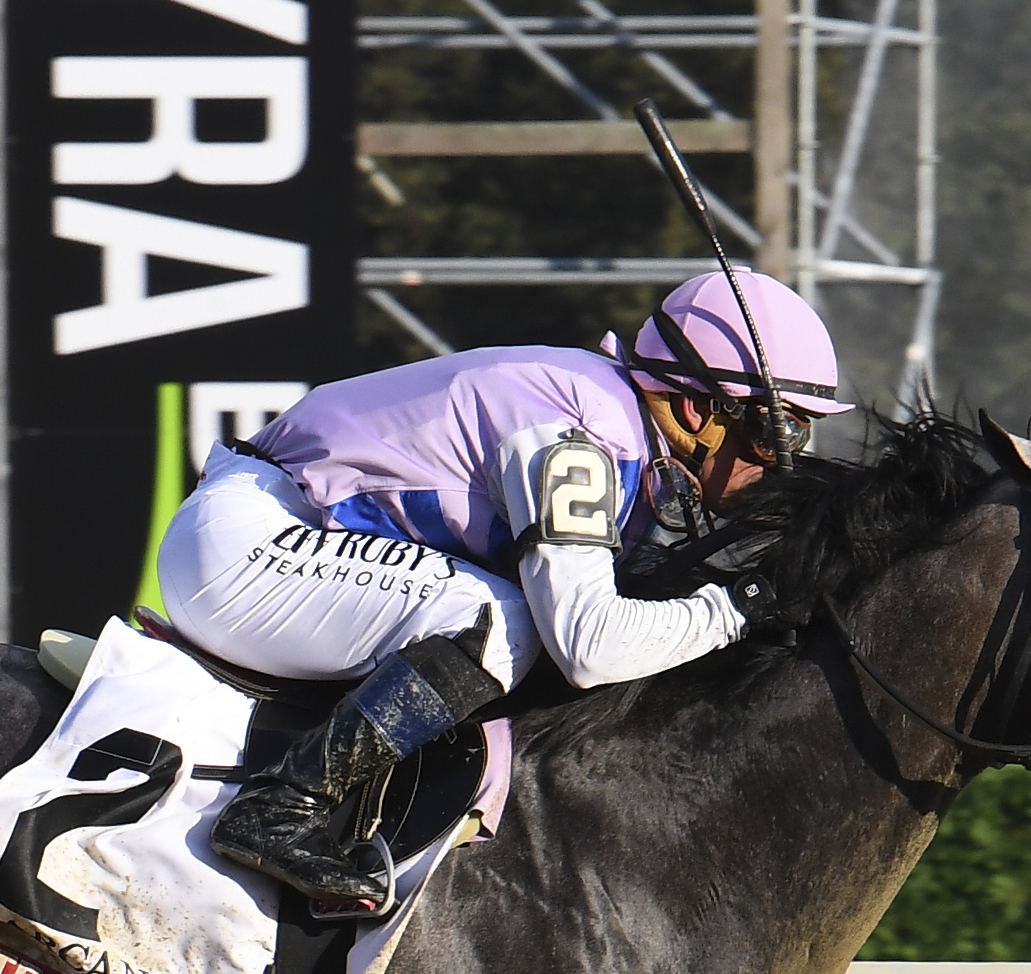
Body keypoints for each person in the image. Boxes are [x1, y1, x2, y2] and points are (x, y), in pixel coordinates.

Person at [154, 266, 854, 911]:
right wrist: (744, 605)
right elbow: (590, 646)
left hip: (275, 537)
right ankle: (279, 807)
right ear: (698, 410)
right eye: (779, 431)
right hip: (248, 543)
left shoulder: (627, 434)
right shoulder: (578, 437)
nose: (785, 463)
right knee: (508, 621)